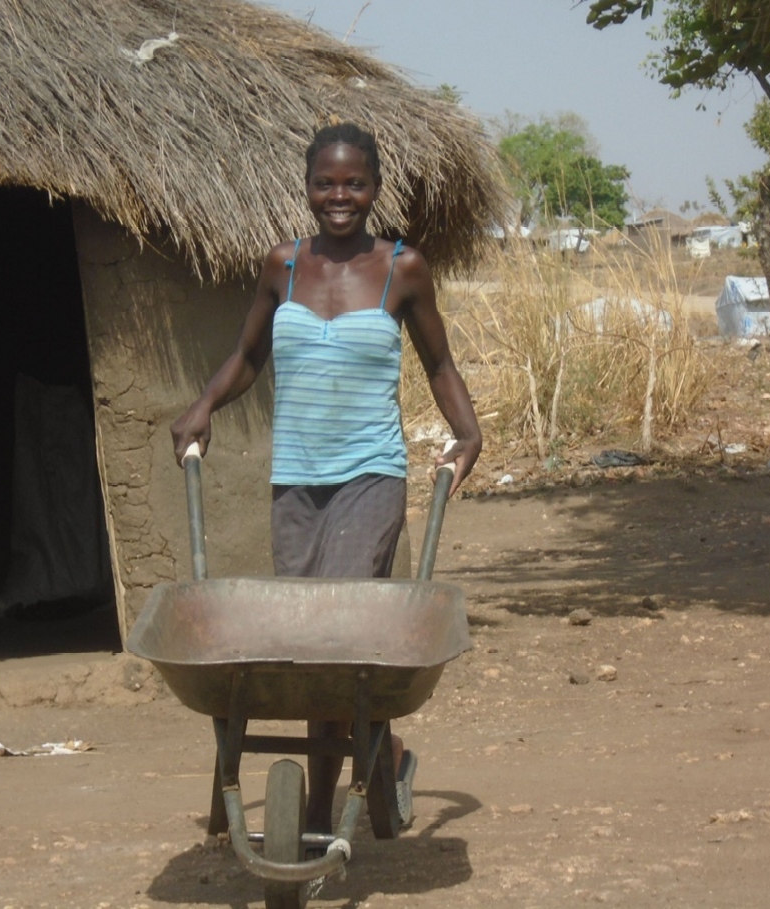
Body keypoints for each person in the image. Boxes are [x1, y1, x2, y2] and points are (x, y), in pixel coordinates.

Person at [170, 121, 481, 835]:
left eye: (355, 183)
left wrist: (469, 433)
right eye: (325, 183)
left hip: (370, 476)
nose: (339, 196)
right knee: (307, 646)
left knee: (334, 643)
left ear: (375, 188)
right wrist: (205, 404)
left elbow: (438, 363)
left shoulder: (403, 267)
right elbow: (248, 356)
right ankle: (385, 758)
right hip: (296, 483)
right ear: (307, 187)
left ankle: (310, 807)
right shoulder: (282, 265)